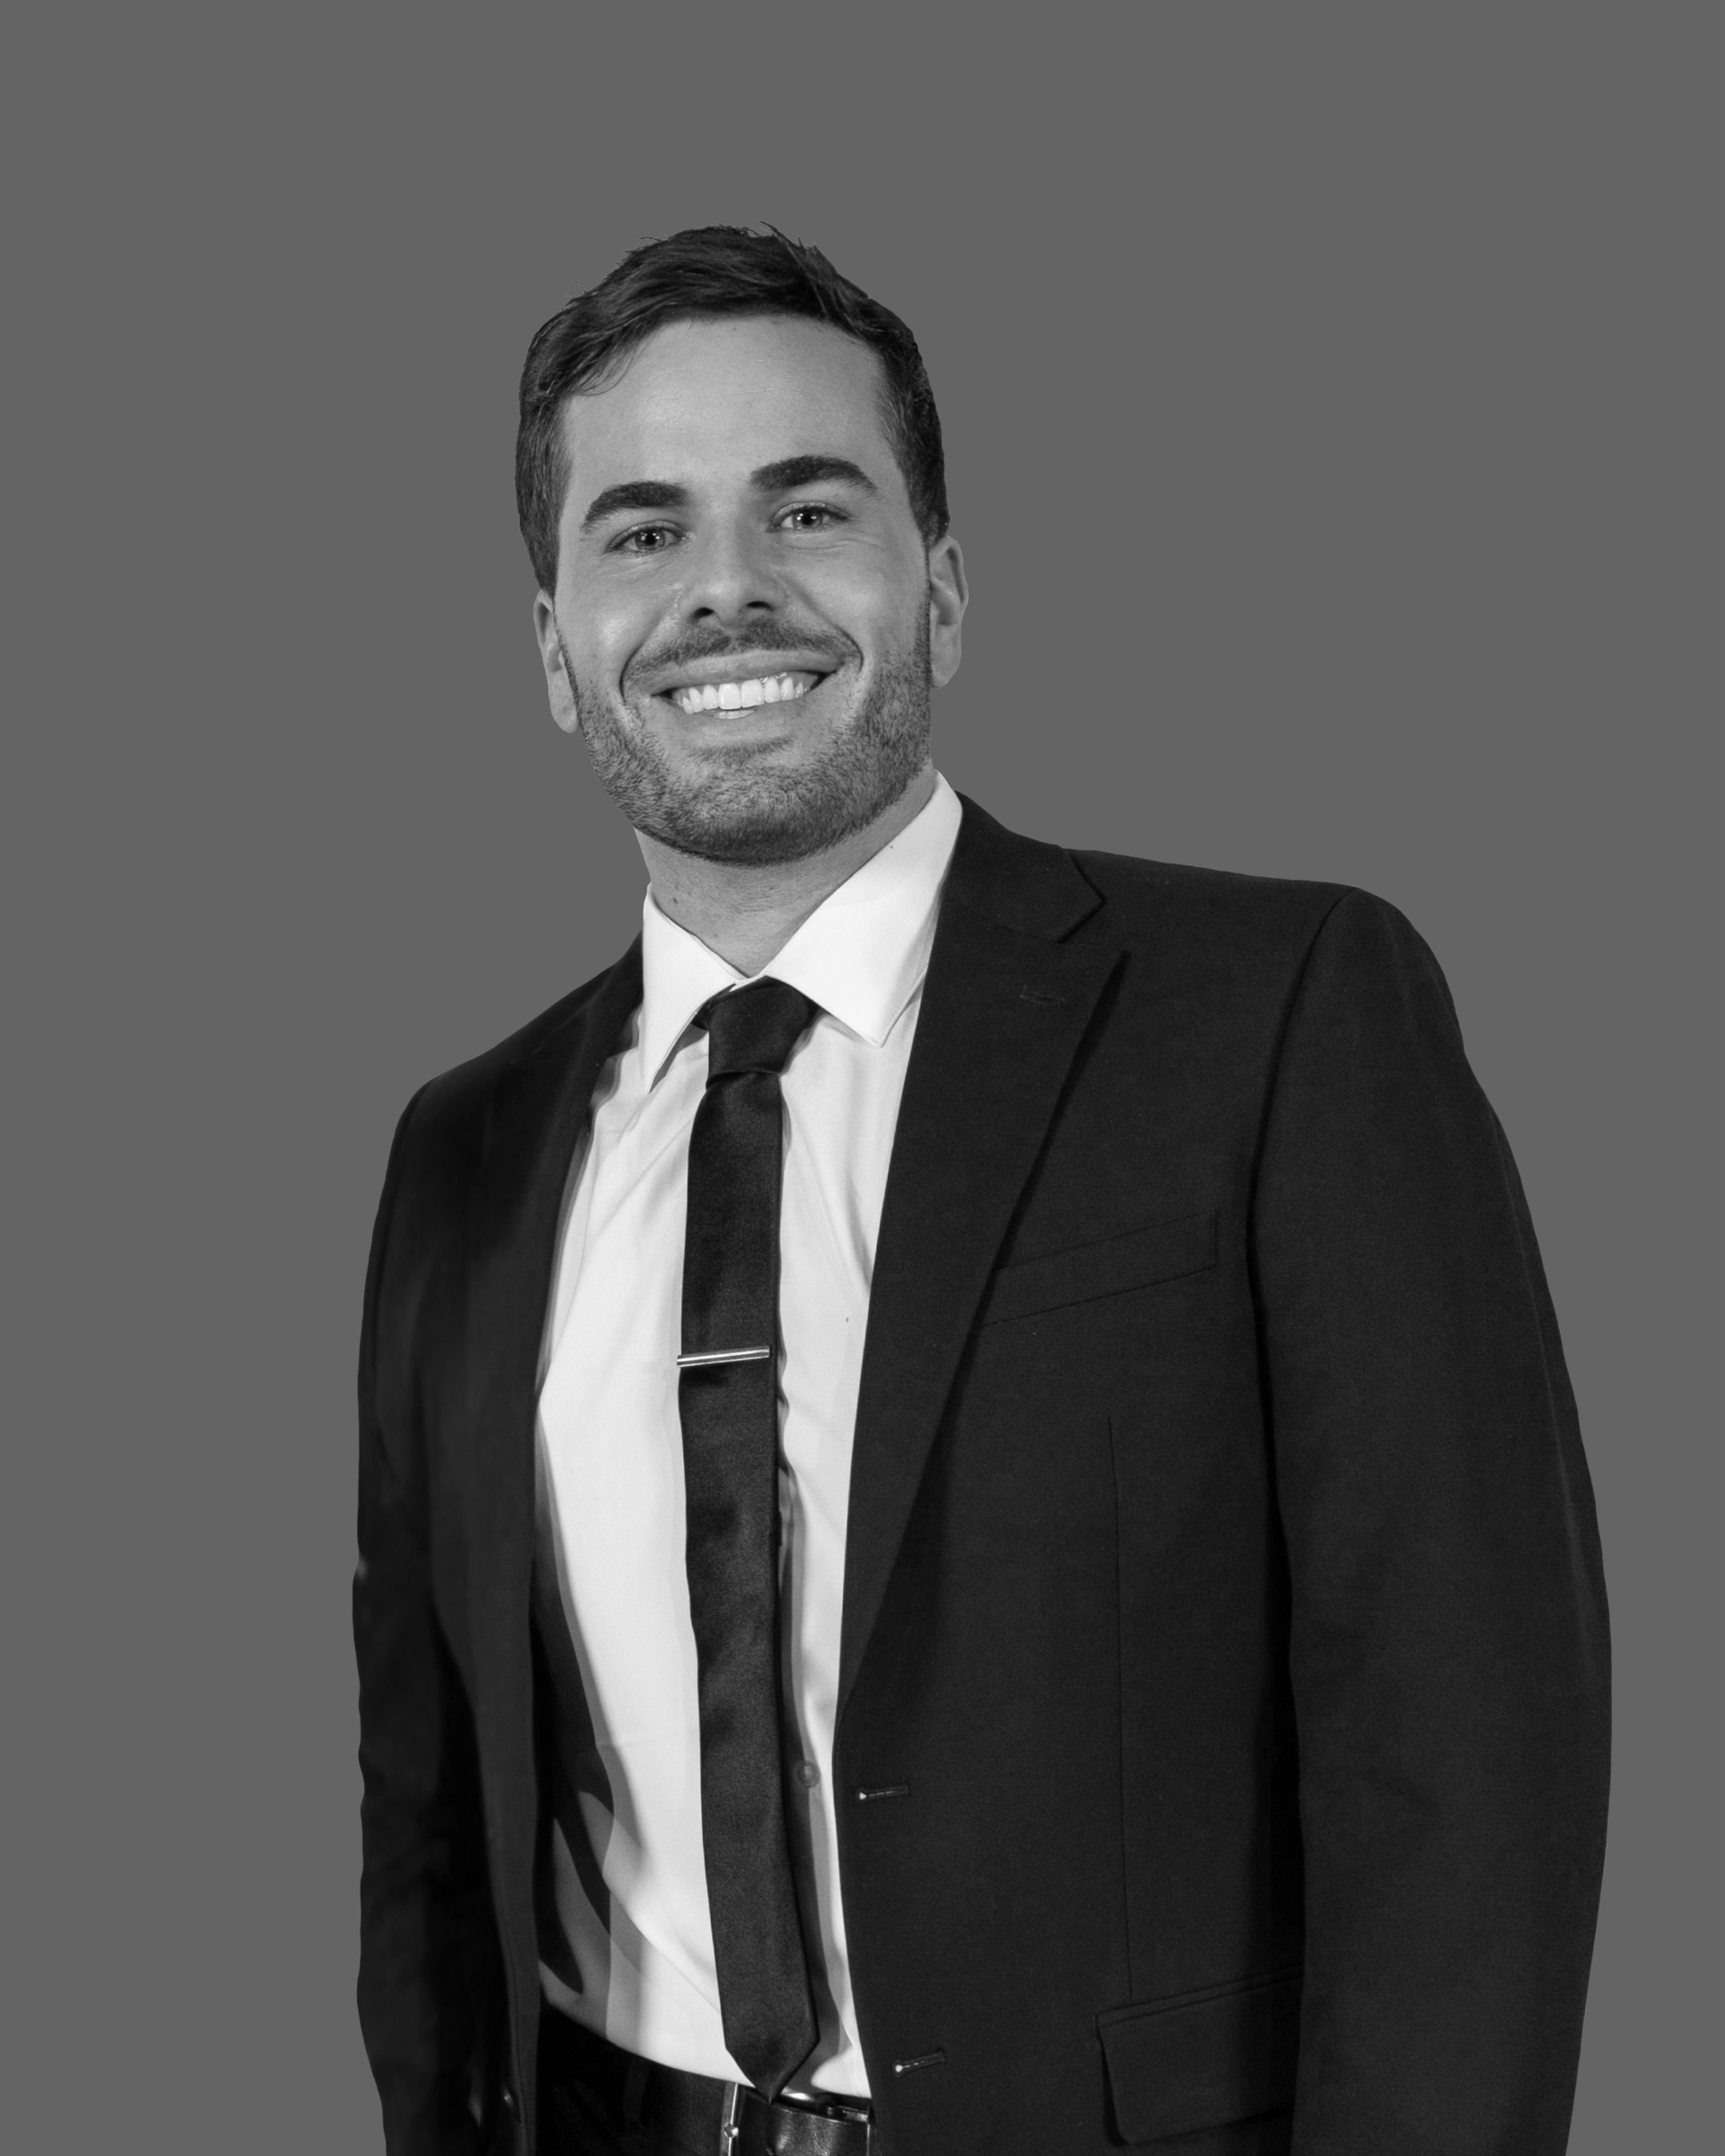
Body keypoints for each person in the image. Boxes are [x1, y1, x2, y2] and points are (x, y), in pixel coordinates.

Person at [354, 227, 1609, 2156]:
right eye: (644, 531)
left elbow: (1468, 1756)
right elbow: (428, 1804)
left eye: (808, 508)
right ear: (552, 649)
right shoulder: (466, 1150)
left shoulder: (1276, 1014)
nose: (727, 588)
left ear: (940, 592)